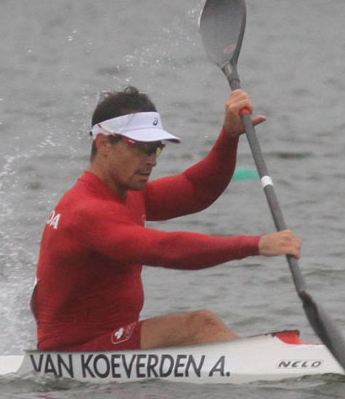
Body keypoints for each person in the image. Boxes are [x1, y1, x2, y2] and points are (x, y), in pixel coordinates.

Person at [31, 85, 301, 352]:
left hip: (112, 342)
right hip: (74, 353)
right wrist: (255, 245)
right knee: (200, 326)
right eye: (141, 148)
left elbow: (197, 189)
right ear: (103, 143)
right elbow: (165, 250)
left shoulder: (127, 193)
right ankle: (273, 365)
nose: (152, 161)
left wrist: (229, 136)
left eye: (155, 149)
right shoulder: (87, 210)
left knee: (201, 326)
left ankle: (268, 361)